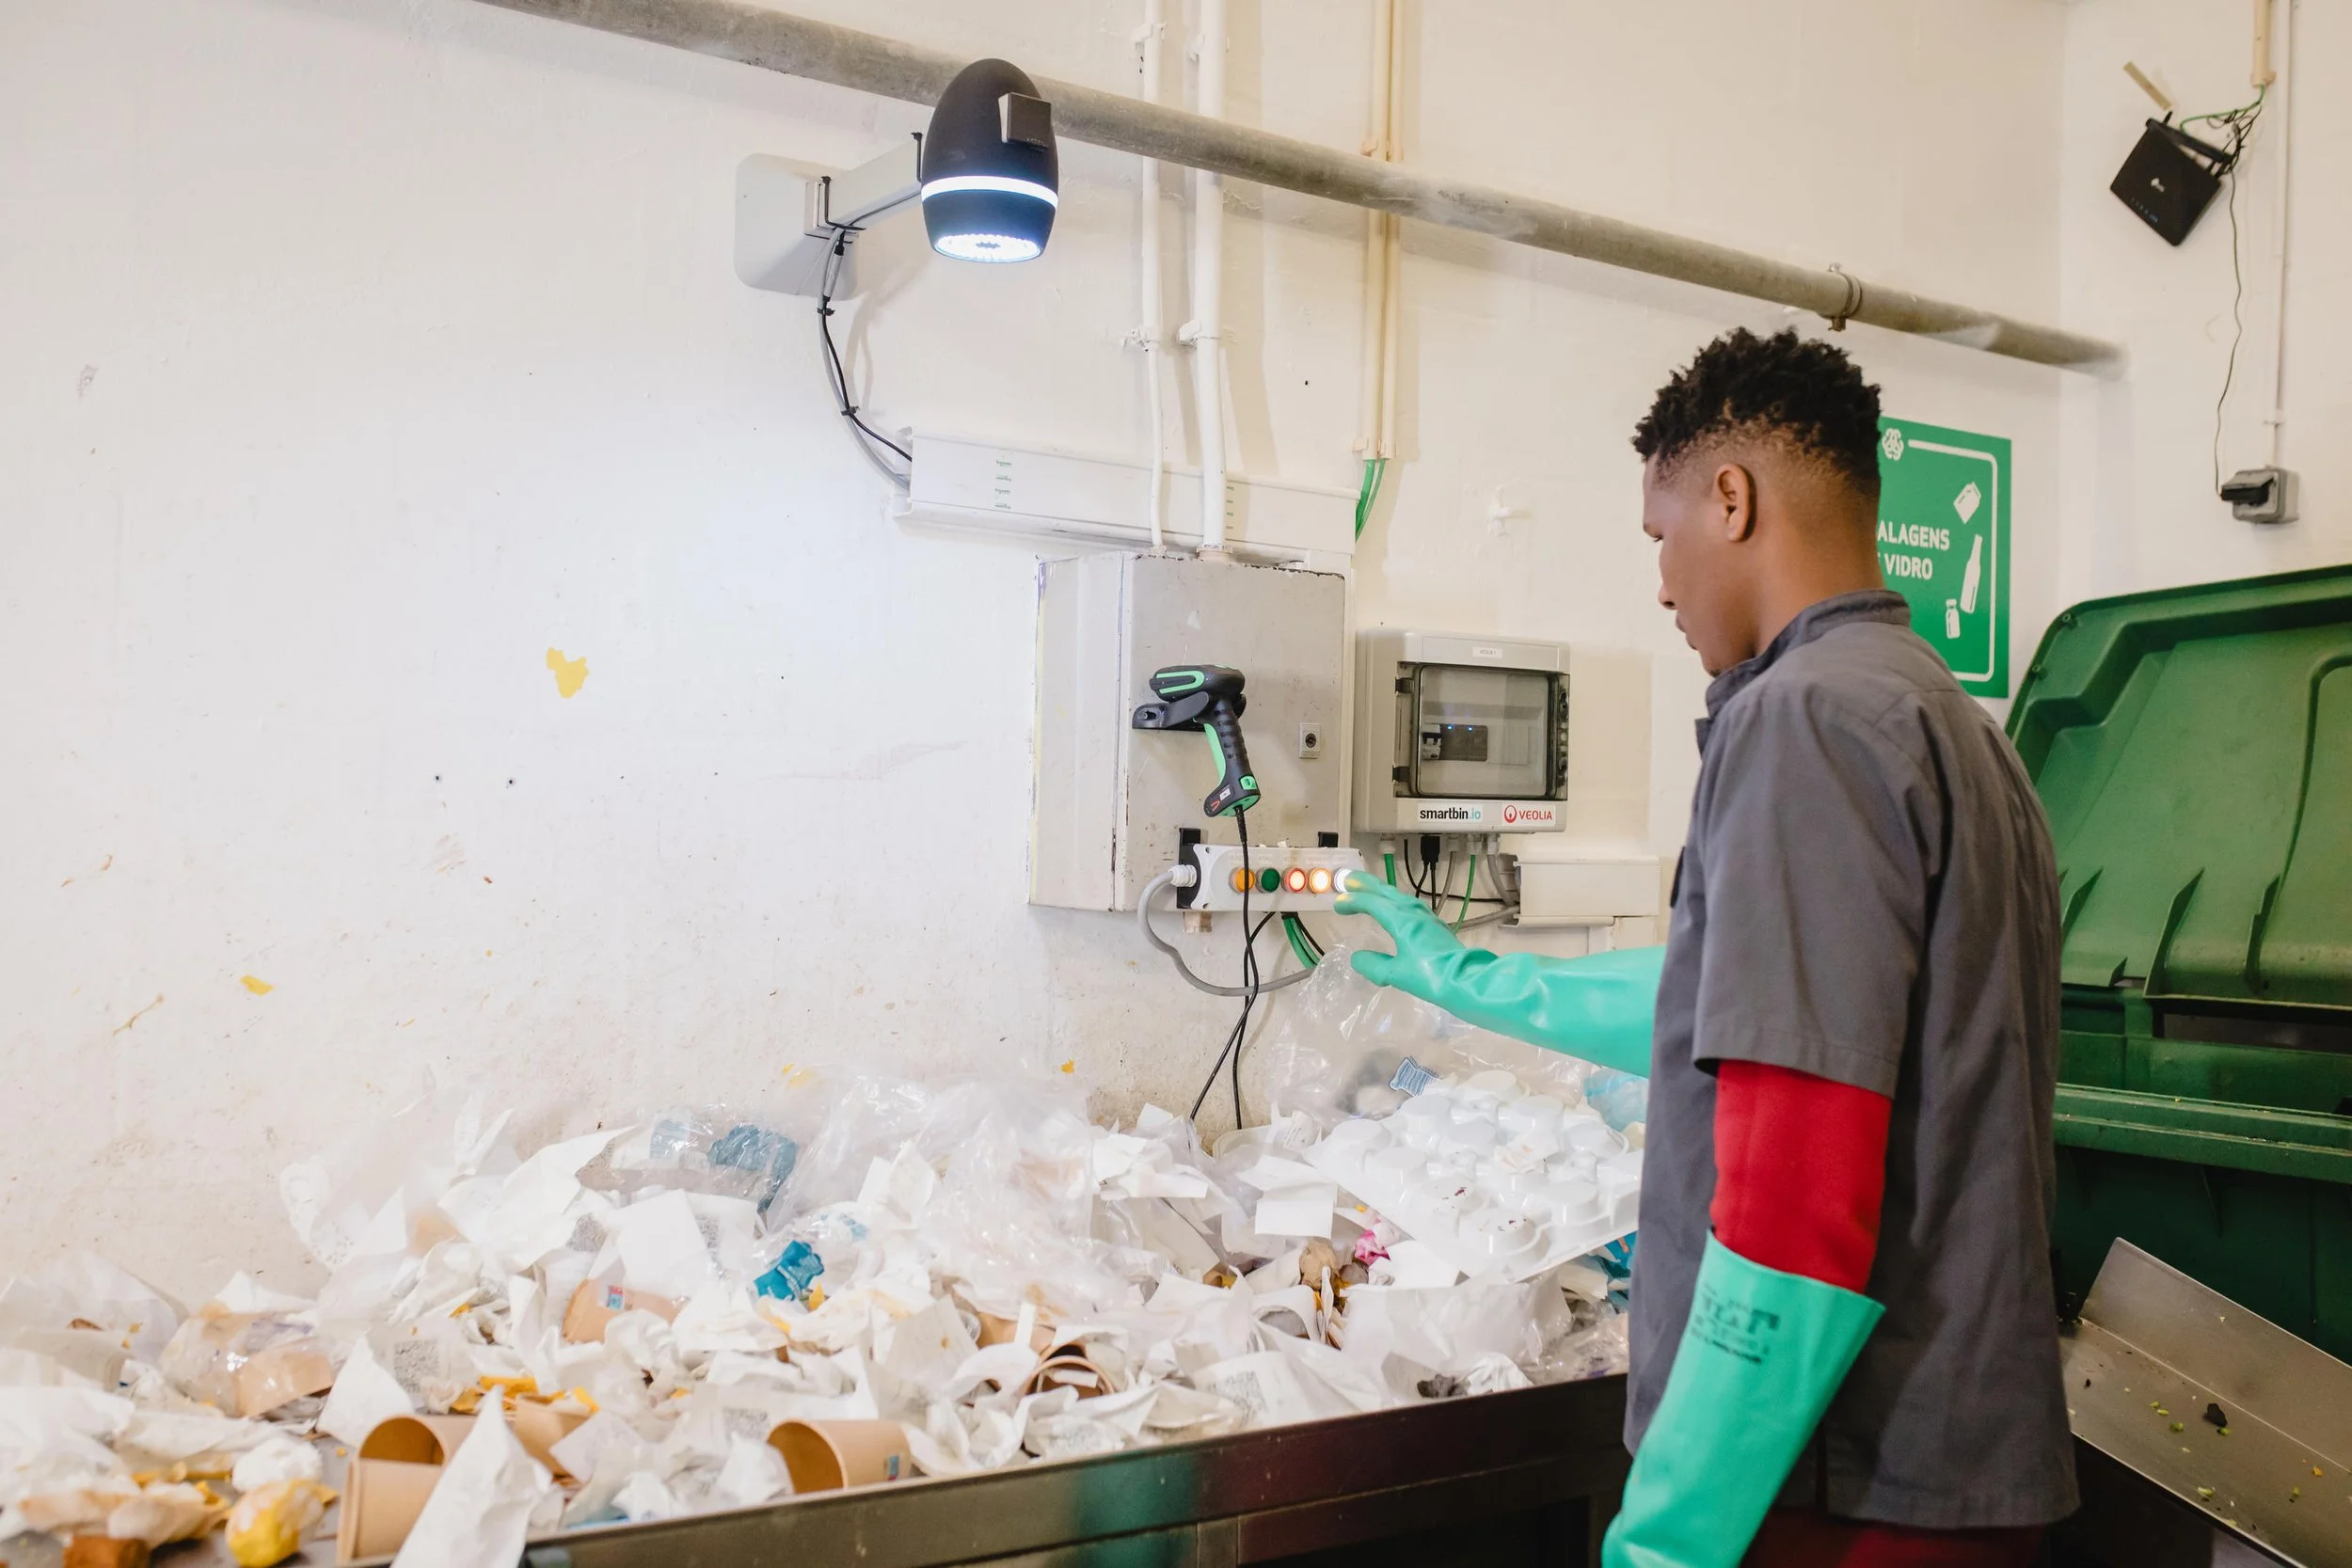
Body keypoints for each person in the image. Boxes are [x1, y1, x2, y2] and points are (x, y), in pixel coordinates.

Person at [1334, 327, 2074, 1567]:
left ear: (1730, 499)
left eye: (1660, 535)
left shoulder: (1805, 722)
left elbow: (1800, 1186)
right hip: (1957, 1468)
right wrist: (1478, 978)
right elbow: (1757, 1008)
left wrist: (1678, 1528)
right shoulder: (1952, 722)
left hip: (1836, 1485)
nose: (1664, 585)